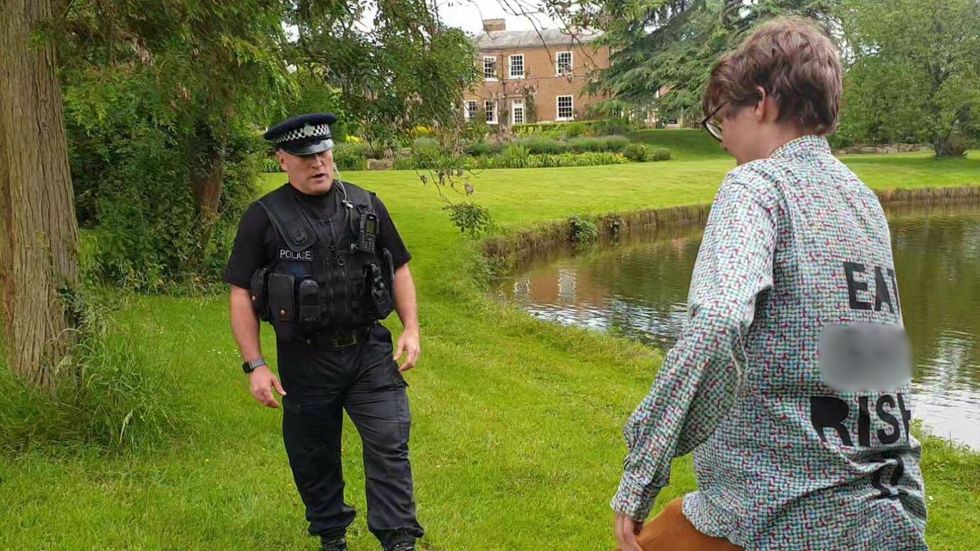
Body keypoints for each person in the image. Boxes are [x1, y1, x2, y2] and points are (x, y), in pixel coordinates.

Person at [612, 17, 928, 550]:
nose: (723, 143)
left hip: (779, 516)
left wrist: (643, 469)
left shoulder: (757, 186)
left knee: (646, 541)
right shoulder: (863, 203)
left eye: (722, 120)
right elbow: (876, 365)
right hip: (888, 513)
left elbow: (716, 323)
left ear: (761, 103)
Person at [224, 113, 424, 551]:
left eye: (323, 153)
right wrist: (255, 364)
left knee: (390, 445)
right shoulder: (263, 218)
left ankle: (399, 541)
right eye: (304, 157)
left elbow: (400, 265)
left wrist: (411, 327)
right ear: (282, 160)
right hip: (306, 358)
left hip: (368, 351)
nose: (317, 164)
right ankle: (332, 538)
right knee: (314, 456)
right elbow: (240, 292)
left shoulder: (366, 204)